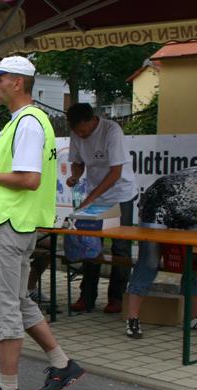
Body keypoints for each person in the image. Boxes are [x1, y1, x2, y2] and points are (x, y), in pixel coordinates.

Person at [0, 56, 84, 390]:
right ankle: (62, 364)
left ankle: (7, 388)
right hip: (19, 226)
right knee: (19, 300)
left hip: (9, 226)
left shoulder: (27, 124)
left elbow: (30, 179)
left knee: (1, 304)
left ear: (18, 82)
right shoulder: (22, 123)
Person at [66, 103, 137, 314]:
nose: (80, 134)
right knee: (90, 244)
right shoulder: (75, 134)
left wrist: (91, 197)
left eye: (83, 130)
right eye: (76, 131)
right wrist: (76, 176)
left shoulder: (111, 131)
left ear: (92, 120)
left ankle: (116, 297)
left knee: (120, 248)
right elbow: (77, 162)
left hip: (120, 194)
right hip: (94, 195)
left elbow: (115, 173)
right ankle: (86, 296)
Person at [125, 167, 197, 338]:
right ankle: (132, 318)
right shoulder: (190, 184)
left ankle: (192, 317)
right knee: (149, 262)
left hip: (189, 214)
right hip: (156, 209)